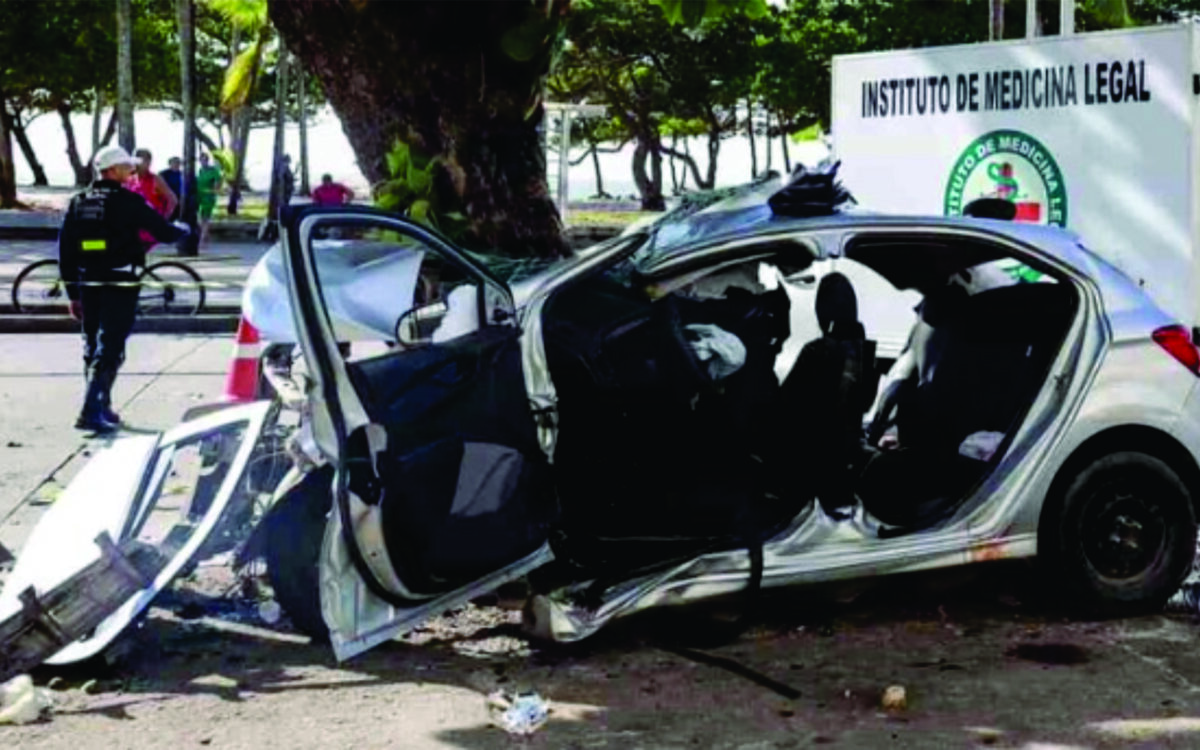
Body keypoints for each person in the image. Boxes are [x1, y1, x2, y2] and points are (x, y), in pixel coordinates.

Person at [59, 146, 189, 433]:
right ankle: (90, 410)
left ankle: (101, 405)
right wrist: (184, 229)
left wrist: (72, 294)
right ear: (112, 170)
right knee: (112, 346)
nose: (131, 173)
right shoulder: (128, 201)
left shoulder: (79, 201)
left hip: (87, 282)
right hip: (121, 281)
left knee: (92, 345)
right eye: (126, 168)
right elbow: (163, 232)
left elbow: (66, 251)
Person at [127, 149, 177, 251]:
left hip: (149, 228)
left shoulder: (155, 179)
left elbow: (173, 200)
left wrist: (163, 219)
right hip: (133, 227)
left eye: (142, 161)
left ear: (149, 162)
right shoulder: (130, 179)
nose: (137, 164)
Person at [196, 152, 223, 249]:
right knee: (200, 219)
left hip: (208, 197)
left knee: (205, 218)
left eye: (205, 159)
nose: (203, 161)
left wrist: (210, 190)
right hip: (199, 196)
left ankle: (202, 241)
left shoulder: (214, 172)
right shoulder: (200, 171)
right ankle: (205, 237)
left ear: (207, 160)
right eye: (201, 160)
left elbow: (217, 187)